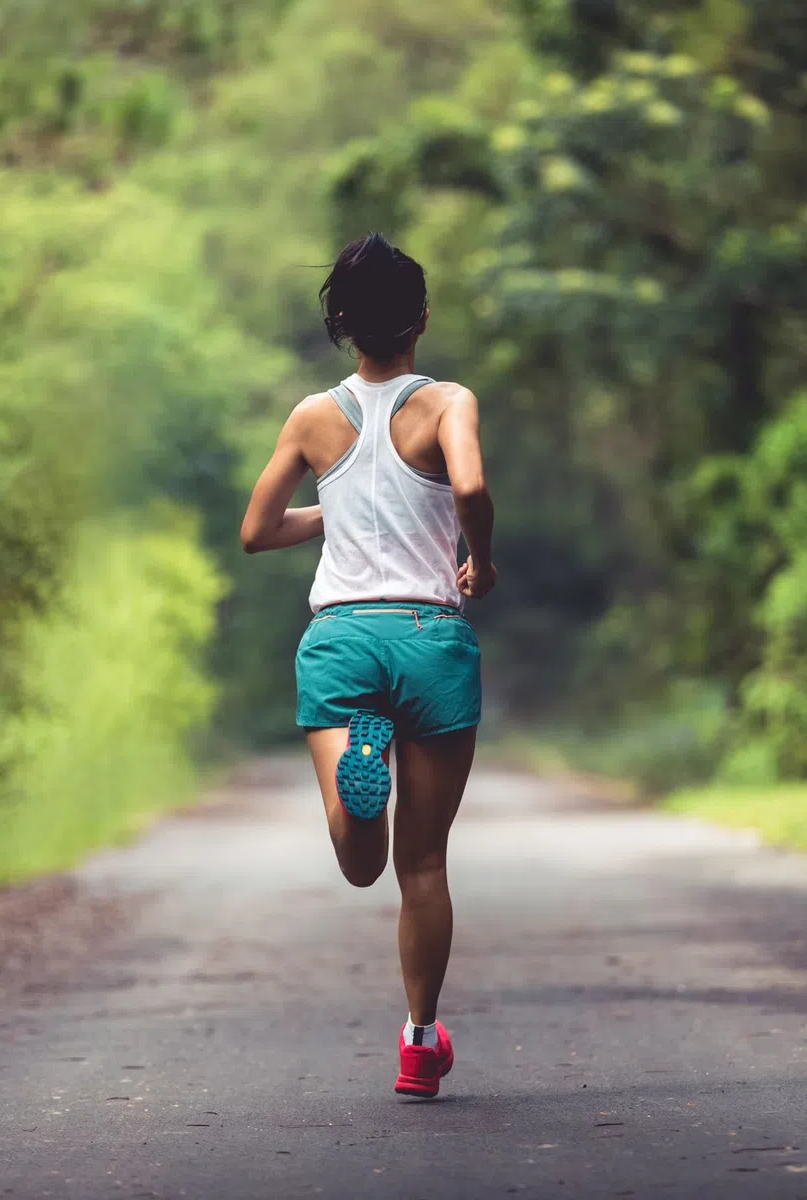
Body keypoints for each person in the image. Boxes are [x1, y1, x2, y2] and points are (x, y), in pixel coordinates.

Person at [239, 232, 496, 1099]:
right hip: (431, 639)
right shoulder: (449, 402)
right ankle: (420, 1045)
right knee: (422, 865)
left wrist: (334, 508)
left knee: (360, 861)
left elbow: (257, 532)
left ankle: (361, 773)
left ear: (342, 325)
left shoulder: (313, 418)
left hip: (344, 638)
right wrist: (482, 559)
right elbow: (468, 490)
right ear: (422, 318)